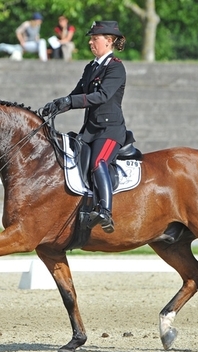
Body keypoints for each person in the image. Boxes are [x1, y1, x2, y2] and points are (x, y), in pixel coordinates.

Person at [42, 20, 131, 234]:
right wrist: (57, 104)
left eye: (95, 38)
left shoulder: (116, 67)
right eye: (91, 39)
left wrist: (70, 102)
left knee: (99, 162)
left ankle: (105, 212)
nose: (91, 42)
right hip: (90, 131)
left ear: (109, 41)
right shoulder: (91, 67)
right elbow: (77, 93)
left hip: (109, 130)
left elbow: (102, 96)